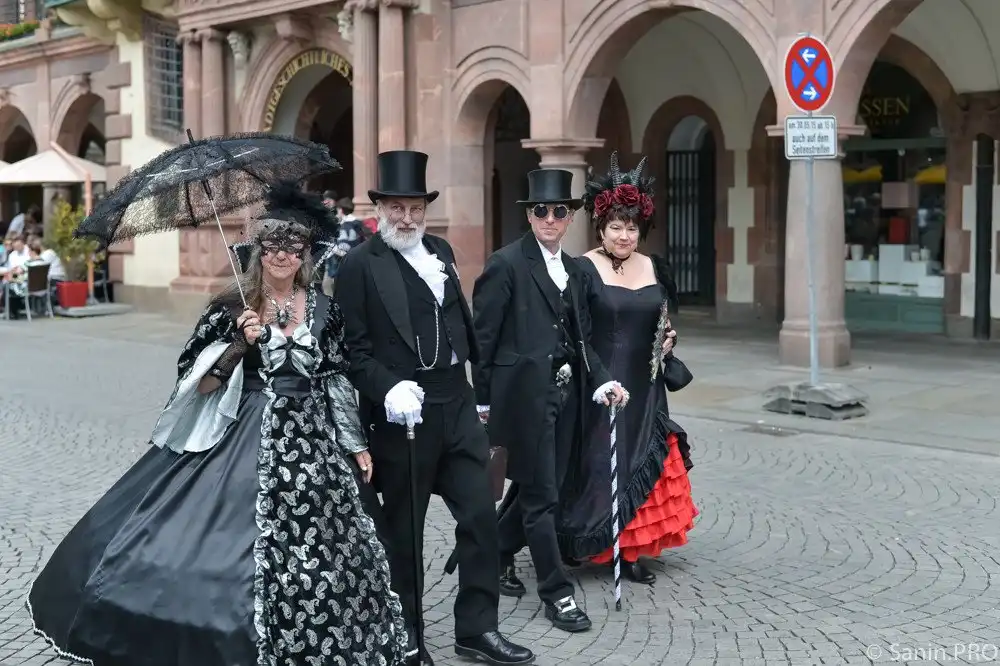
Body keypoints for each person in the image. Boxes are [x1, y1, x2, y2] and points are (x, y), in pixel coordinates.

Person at [27, 182, 410, 666]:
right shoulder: (231, 307)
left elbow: (334, 379)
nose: (282, 255)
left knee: (334, 543)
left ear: (306, 253)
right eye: (272, 245)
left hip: (316, 443)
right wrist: (238, 345)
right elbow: (198, 384)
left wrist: (354, 443)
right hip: (242, 435)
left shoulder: (326, 311)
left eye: (293, 246)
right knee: (223, 539)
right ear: (257, 249)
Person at [336, 150, 534, 666]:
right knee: (405, 532)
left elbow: (460, 325)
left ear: (426, 210)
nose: (407, 218)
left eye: (415, 208)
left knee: (480, 516)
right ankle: (406, 636)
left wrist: (481, 392)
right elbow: (352, 352)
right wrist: (387, 389)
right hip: (404, 414)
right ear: (380, 209)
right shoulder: (360, 265)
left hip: (457, 404)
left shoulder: (441, 250)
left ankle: (477, 629)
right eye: (396, 208)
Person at [472, 169, 627, 633]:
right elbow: (484, 340)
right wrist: (483, 404)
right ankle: (557, 594)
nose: (550, 219)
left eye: (560, 211)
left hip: (568, 398)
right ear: (529, 214)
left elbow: (582, 339)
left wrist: (603, 380)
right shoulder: (505, 263)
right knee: (542, 499)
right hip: (524, 400)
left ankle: (495, 551)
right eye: (541, 210)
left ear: (570, 217)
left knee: (544, 491)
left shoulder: (575, 270)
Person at [558, 152, 697, 585]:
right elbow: (576, 333)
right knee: (599, 463)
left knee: (640, 460)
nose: (624, 236)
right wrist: (596, 378)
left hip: (647, 385)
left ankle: (631, 547)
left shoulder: (653, 266)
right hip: (602, 384)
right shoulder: (582, 269)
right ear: (601, 227)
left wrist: (668, 338)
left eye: (632, 228)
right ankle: (588, 541)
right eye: (616, 227)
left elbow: (659, 318)